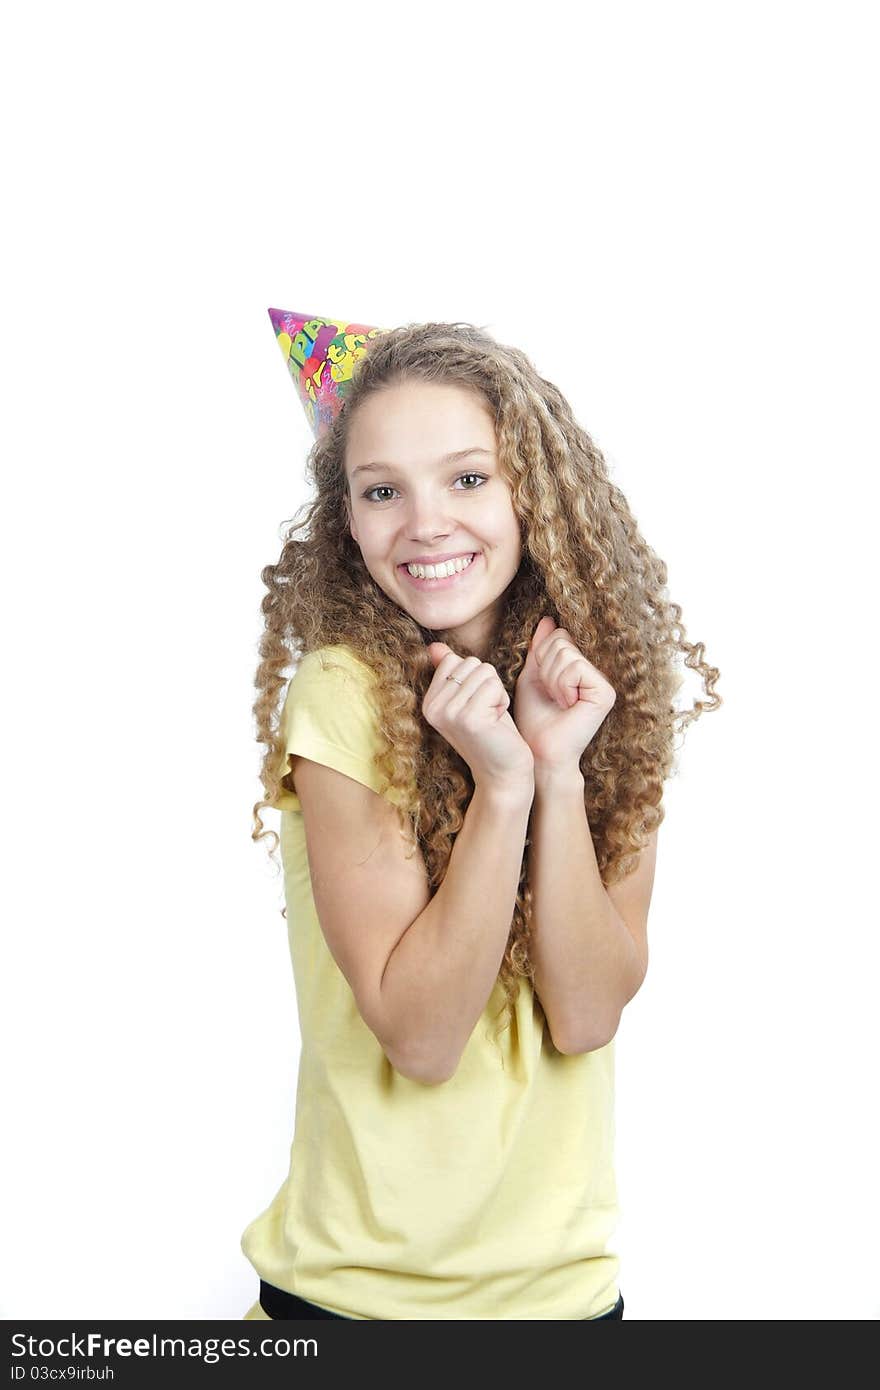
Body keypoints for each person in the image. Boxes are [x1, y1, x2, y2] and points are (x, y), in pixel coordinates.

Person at [239, 314, 721, 1321]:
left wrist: (554, 772)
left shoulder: (607, 689)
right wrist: (497, 786)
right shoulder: (345, 692)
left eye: (466, 478)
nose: (424, 523)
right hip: (358, 1304)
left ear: (531, 490)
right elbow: (420, 1036)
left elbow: (585, 1015)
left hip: (566, 1301)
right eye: (382, 490)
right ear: (347, 521)